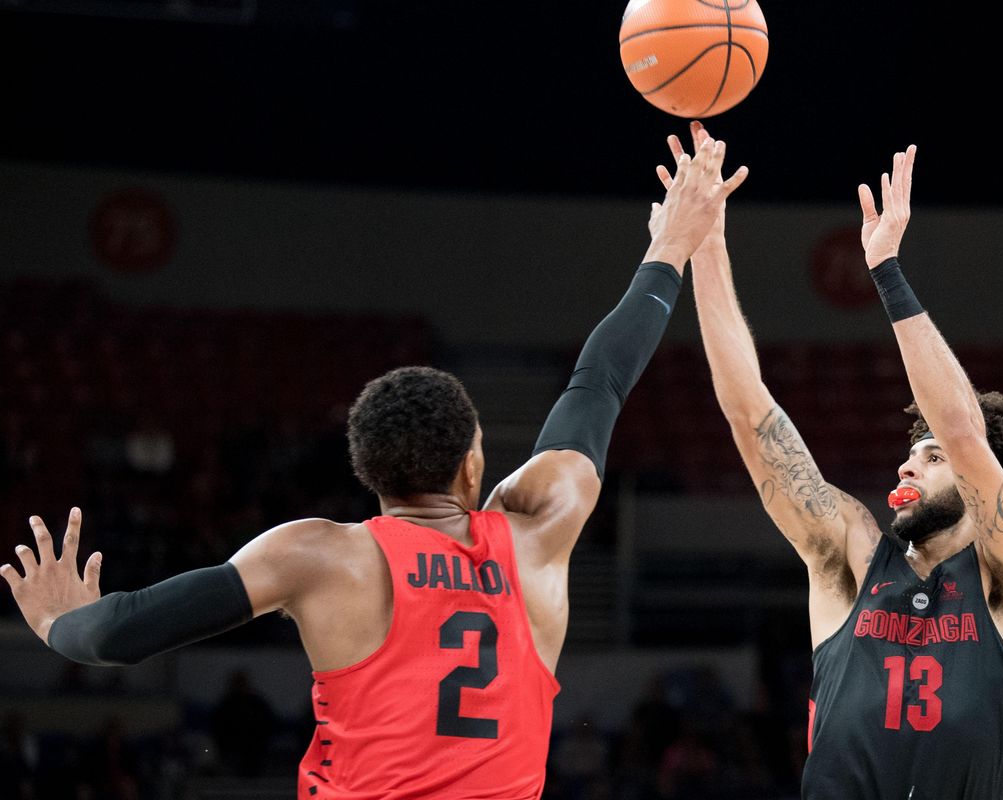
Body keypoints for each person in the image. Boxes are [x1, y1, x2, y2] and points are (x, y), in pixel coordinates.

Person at [1, 138, 748, 800]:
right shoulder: (539, 535)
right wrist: (670, 248)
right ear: (471, 464)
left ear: (369, 472)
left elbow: (124, 632)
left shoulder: (320, 555)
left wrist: (56, 623)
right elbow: (599, 383)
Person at [664, 122, 1003, 799]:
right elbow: (748, 412)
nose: (905, 469)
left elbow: (966, 433)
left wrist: (886, 272)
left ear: (980, 480)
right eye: (909, 455)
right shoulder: (852, 553)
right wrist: (707, 240)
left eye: (929, 457)